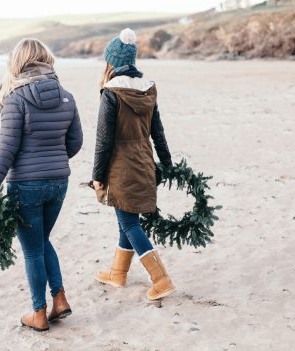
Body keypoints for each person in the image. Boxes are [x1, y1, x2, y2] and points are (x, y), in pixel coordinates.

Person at [0, 38, 83, 332]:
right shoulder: (67, 96)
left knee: (33, 249)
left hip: (27, 186)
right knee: (42, 241)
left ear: (17, 63)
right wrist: (54, 160)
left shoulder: (16, 99)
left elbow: (6, 150)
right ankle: (59, 298)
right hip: (59, 183)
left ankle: (39, 312)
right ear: (46, 59)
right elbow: (75, 143)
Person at [91, 28, 175, 300]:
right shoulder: (149, 87)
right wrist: (167, 163)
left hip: (120, 165)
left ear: (111, 62)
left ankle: (161, 279)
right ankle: (118, 273)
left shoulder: (111, 92)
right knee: (127, 218)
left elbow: (103, 140)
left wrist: (97, 175)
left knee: (129, 223)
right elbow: (158, 131)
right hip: (143, 159)